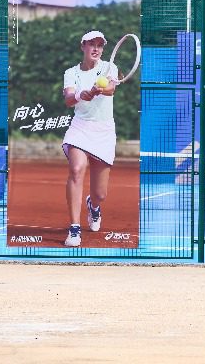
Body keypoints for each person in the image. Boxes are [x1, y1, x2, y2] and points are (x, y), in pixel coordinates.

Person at [61, 30, 119, 247]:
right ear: (82, 47)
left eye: (99, 45)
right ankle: (74, 229)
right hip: (80, 128)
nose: (96, 48)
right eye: (91, 44)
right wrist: (80, 94)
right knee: (76, 169)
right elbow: (68, 99)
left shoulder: (109, 67)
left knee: (100, 194)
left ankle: (93, 207)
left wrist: (97, 90)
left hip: (104, 131)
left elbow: (111, 88)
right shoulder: (71, 73)